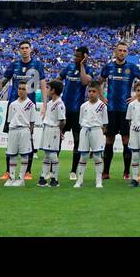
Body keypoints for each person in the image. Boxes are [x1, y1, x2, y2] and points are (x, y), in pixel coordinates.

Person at [100, 41, 140, 181]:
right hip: (111, 109)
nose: (122, 53)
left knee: (126, 140)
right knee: (109, 139)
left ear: (127, 53)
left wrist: (135, 96)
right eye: (119, 50)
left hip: (126, 110)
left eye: (124, 51)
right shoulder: (108, 67)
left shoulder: (131, 67)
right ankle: (105, 172)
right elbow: (99, 82)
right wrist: (102, 97)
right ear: (115, 51)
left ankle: (126, 172)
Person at [0, 42, 46, 181]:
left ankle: (27, 171)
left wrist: (45, 104)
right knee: (10, 140)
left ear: (30, 49)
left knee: (29, 139)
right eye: (22, 48)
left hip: (28, 107)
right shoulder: (14, 65)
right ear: (19, 50)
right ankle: (8, 171)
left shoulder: (37, 65)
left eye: (27, 48)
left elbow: (43, 85)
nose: (24, 50)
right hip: (13, 106)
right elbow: (3, 82)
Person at [59, 46, 94, 181]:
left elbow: (85, 81)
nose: (75, 58)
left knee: (77, 140)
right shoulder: (68, 68)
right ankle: (51, 169)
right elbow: (58, 80)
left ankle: (73, 171)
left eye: (78, 56)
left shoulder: (89, 70)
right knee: (57, 138)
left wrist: (82, 66)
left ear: (84, 57)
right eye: (75, 56)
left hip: (78, 111)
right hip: (64, 110)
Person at [4, 81, 37, 187]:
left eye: (23, 89)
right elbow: (9, 120)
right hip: (13, 130)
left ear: (27, 91)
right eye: (19, 89)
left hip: (24, 130)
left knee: (24, 155)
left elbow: (32, 122)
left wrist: (29, 133)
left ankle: (21, 178)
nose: (21, 91)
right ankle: (11, 177)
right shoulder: (12, 104)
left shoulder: (31, 104)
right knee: (12, 154)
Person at [74, 82, 106, 189]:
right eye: (89, 91)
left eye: (94, 91)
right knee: (83, 156)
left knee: (97, 157)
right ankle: (79, 180)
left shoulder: (102, 106)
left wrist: (101, 134)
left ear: (98, 92)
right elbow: (80, 121)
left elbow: (104, 123)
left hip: (97, 131)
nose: (91, 93)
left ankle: (98, 180)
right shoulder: (83, 106)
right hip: (85, 130)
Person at [37, 79, 67, 188]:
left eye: (49, 88)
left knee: (53, 155)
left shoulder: (60, 104)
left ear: (53, 90)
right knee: (46, 154)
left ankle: (54, 178)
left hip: (53, 129)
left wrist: (59, 131)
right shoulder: (50, 103)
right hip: (47, 129)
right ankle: (42, 177)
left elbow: (63, 120)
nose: (47, 90)